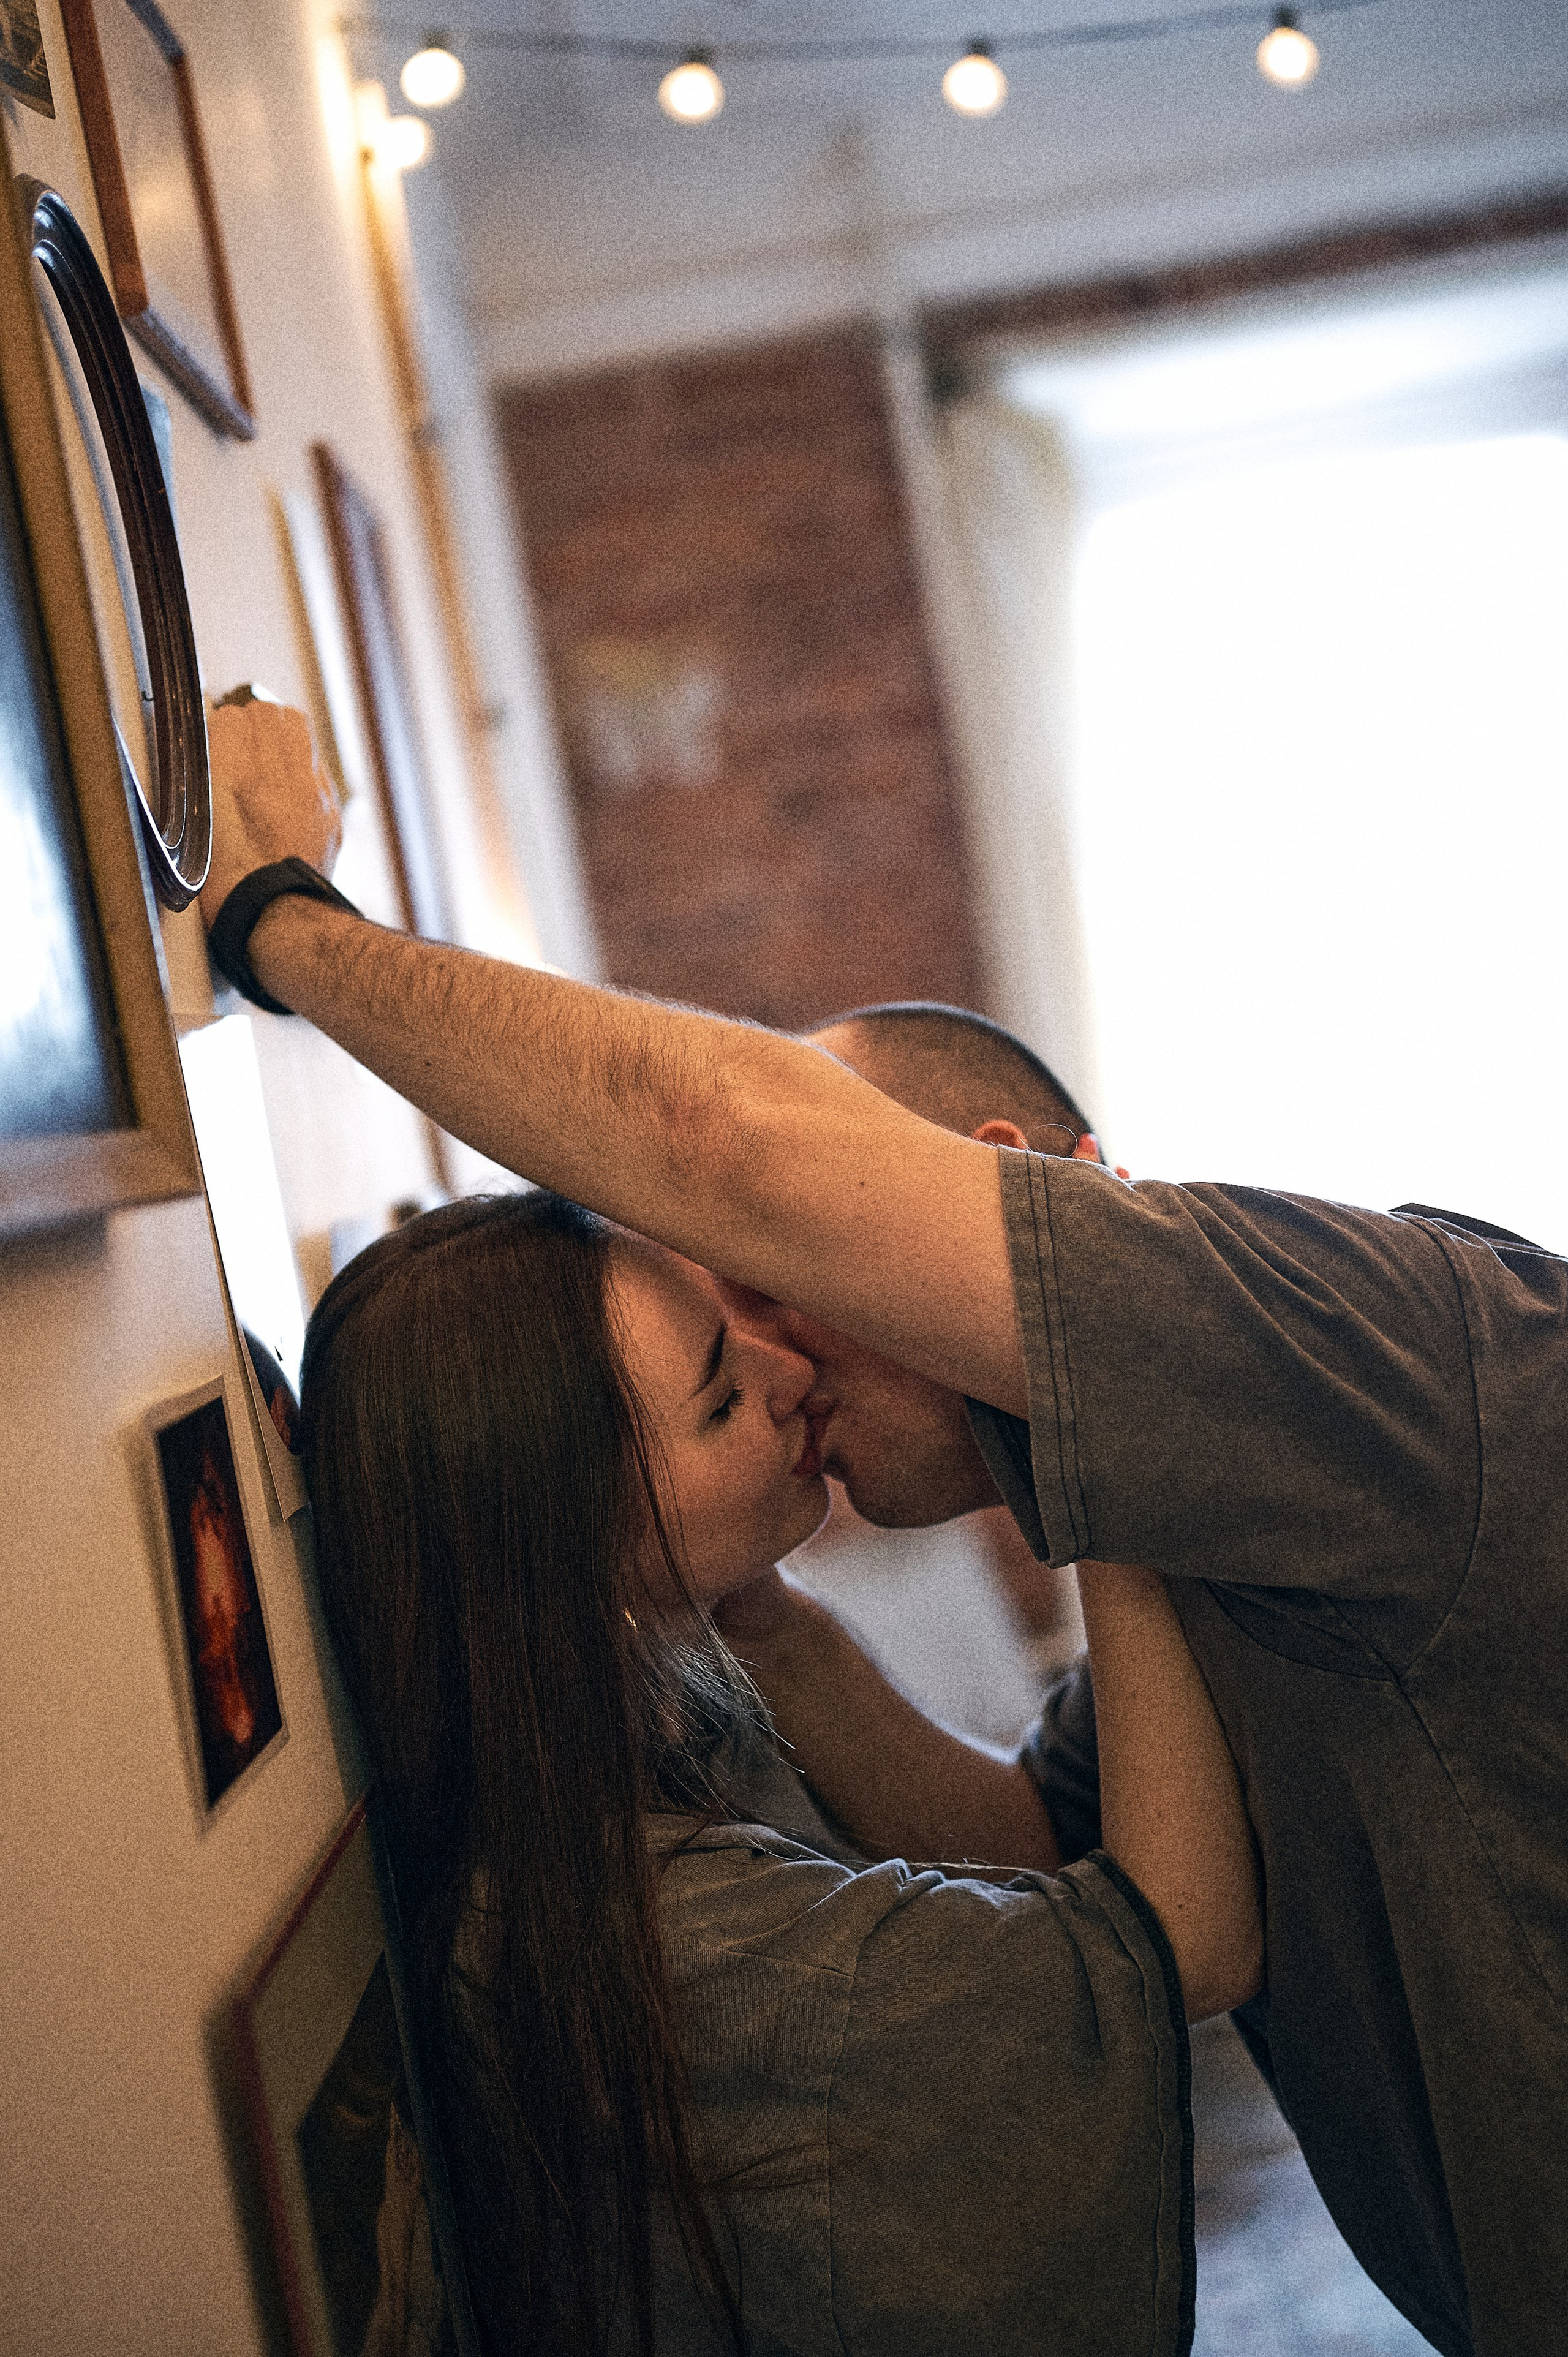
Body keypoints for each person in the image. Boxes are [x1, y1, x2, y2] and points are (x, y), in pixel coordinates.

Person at [203, 699, 1568, 2357]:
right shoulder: (1184, 1505)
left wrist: (280, 918)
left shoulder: (1348, 1328)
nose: (780, 1358)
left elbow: (723, 1136)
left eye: (795, 1281)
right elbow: (1047, 1852)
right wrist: (745, 1600)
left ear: (987, 1196)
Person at [299, 1187, 1259, 2355]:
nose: (787, 1370)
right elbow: (1182, 1949)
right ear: (578, 1539)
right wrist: (1093, 1427)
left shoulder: (639, 1726)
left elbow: (1024, 1853)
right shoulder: (675, 1943)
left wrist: (760, 1612)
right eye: (720, 1396)